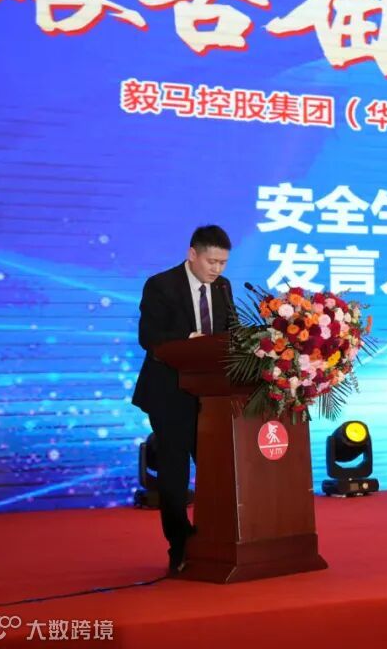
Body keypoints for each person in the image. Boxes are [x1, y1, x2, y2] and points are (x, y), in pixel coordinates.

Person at [132, 225, 234, 575]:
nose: (217, 269)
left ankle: (215, 538)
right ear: (193, 254)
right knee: (174, 474)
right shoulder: (161, 285)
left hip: (212, 397)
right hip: (169, 393)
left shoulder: (223, 287)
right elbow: (149, 337)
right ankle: (179, 546)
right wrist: (190, 340)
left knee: (217, 468)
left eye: (222, 263)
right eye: (212, 261)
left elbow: (230, 335)